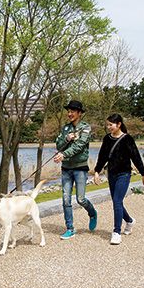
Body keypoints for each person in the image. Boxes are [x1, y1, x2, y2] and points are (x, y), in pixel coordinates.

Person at [93, 113, 144, 245]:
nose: (109, 127)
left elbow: (135, 157)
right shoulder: (107, 139)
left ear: (119, 124)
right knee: (116, 202)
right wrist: (96, 171)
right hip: (111, 174)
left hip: (124, 174)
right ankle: (129, 221)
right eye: (108, 125)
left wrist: (143, 173)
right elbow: (102, 156)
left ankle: (116, 232)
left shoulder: (127, 139)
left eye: (111, 125)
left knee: (117, 201)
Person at [53, 100, 97, 239]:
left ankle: (92, 213)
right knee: (66, 200)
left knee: (81, 199)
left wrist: (64, 154)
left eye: (73, 111)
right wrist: (66, 139)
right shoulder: (65, 128)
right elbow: (59, 144)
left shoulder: (85, 128)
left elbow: (79, 146)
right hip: (66, 168)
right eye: (68, 111)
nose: (70, 113)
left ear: (79, 113)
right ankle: (70, 228)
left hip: (80, 168)